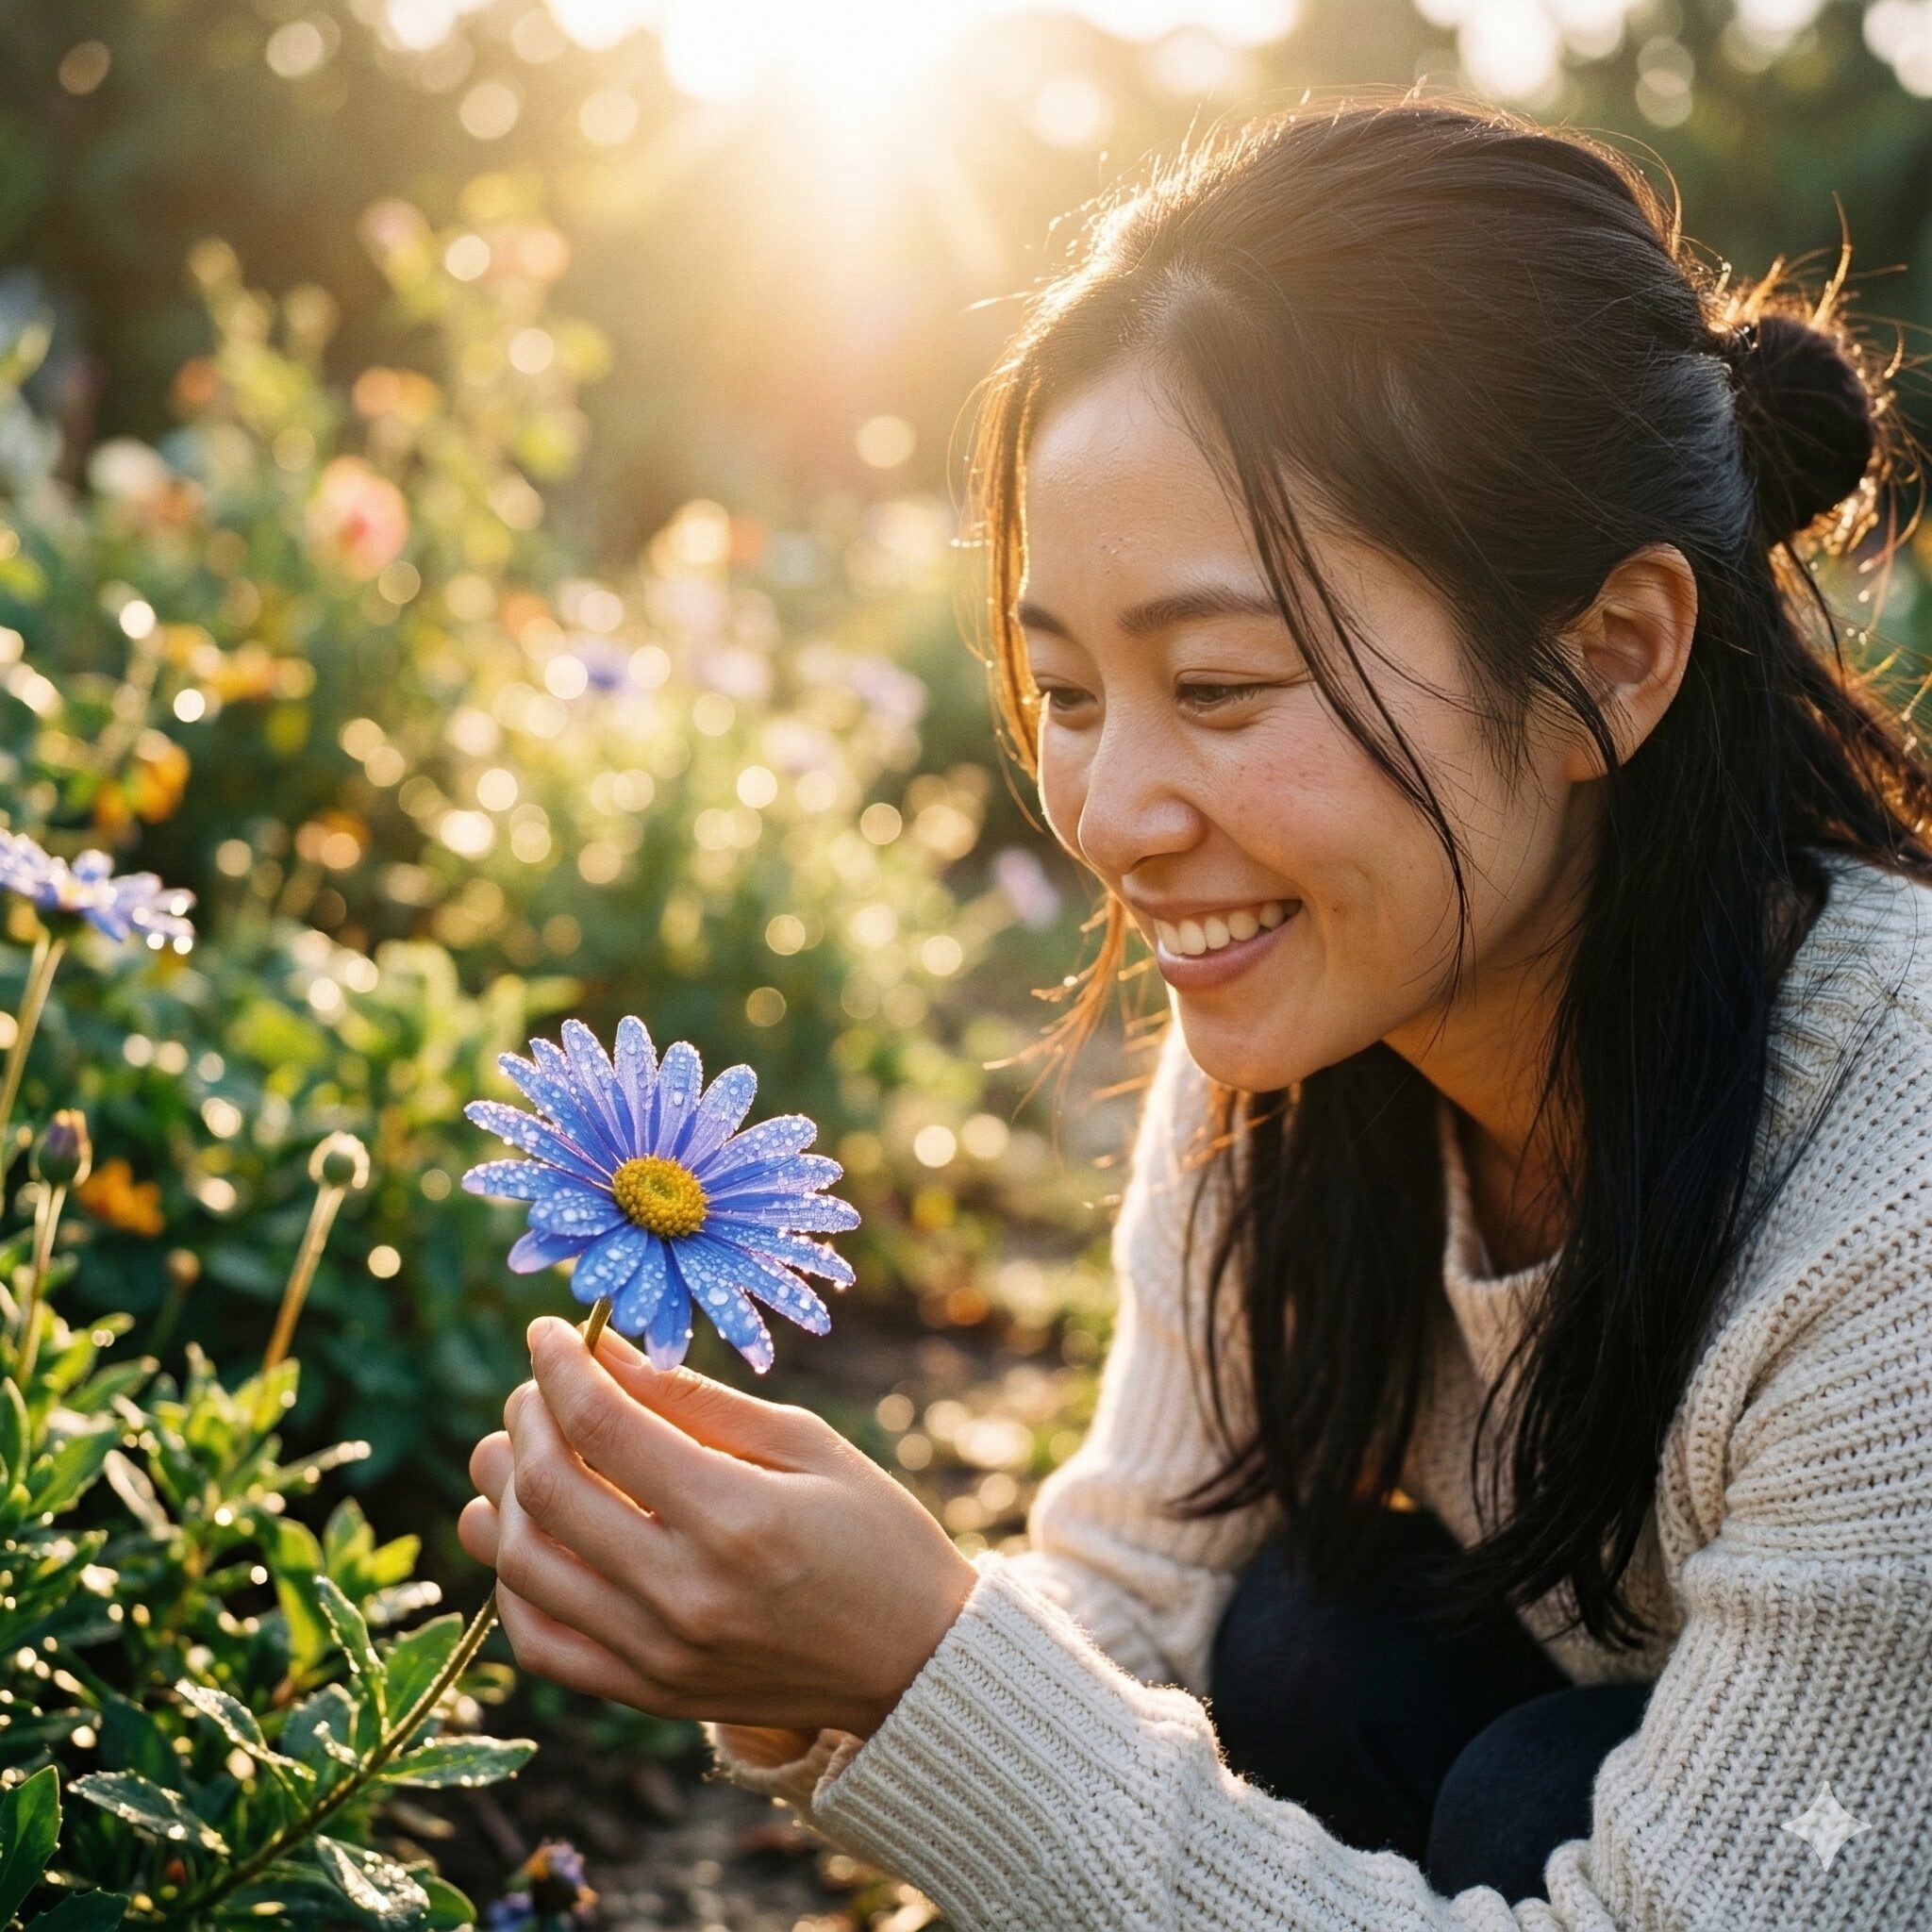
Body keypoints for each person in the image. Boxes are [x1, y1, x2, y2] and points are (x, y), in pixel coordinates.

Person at [458, 93, 1932, 1926]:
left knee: (1523, 1782)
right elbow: (1125, 1592)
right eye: (1068, 689)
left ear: (1607, 659)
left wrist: (929, 1662)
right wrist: (823, 1645)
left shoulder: (1897, 1205)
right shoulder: (1308, 1054)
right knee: (1312, 1644)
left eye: (1219, 684)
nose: (1112, 816)